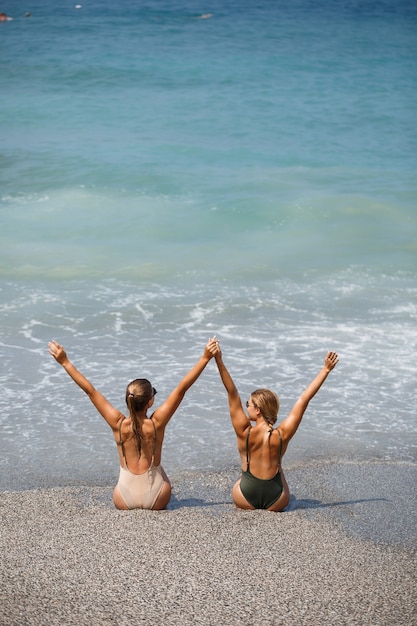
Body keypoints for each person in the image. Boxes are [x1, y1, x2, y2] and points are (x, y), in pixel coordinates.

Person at [48, 337, 218, 510]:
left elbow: (90, 391)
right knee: (158, 468)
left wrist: (65, 362)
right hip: (158, 497)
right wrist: (205, 358)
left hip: (123, 497)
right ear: (150, 403)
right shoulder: (157, 423)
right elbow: (182, 388)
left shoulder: (118, 424)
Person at [214, 343, 339, 511]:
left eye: (248, 404)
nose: (246, 407)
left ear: (257, 410)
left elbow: (232, 392)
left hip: (244, 497)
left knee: (241, 478)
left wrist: (219, 360)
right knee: (279, 469)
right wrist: (325, 369)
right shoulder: (282, 435)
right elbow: (303, 399)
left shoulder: (244, 432)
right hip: (276, 500)